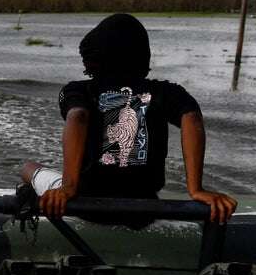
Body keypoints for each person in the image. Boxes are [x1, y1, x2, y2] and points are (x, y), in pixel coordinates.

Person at [21, 13, 237, 224]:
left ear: (92, 59)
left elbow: (78, 117)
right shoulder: (166, 91)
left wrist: (68, 188)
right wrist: (195, 189)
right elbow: (192, 117)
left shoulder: (78, 90)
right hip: (144, 211)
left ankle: (58, 185)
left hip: (84, 206)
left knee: (27, 168)